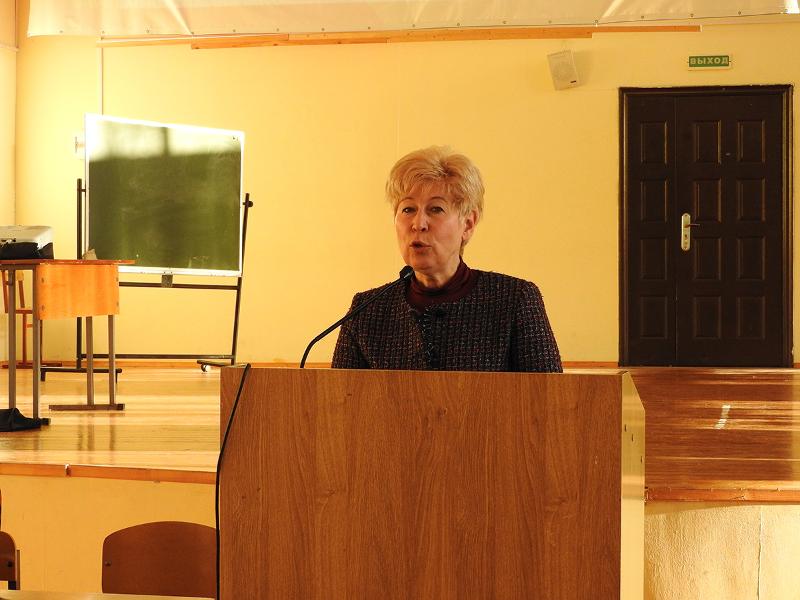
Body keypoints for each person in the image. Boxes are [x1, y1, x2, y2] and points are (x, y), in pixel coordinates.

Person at [331, 146, 562, 372]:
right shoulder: (365, 312)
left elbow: (549, 395)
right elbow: (339, 397)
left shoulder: (515, 300)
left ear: (468, 224)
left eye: (436, 209)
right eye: (408, 209)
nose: (418, 224)